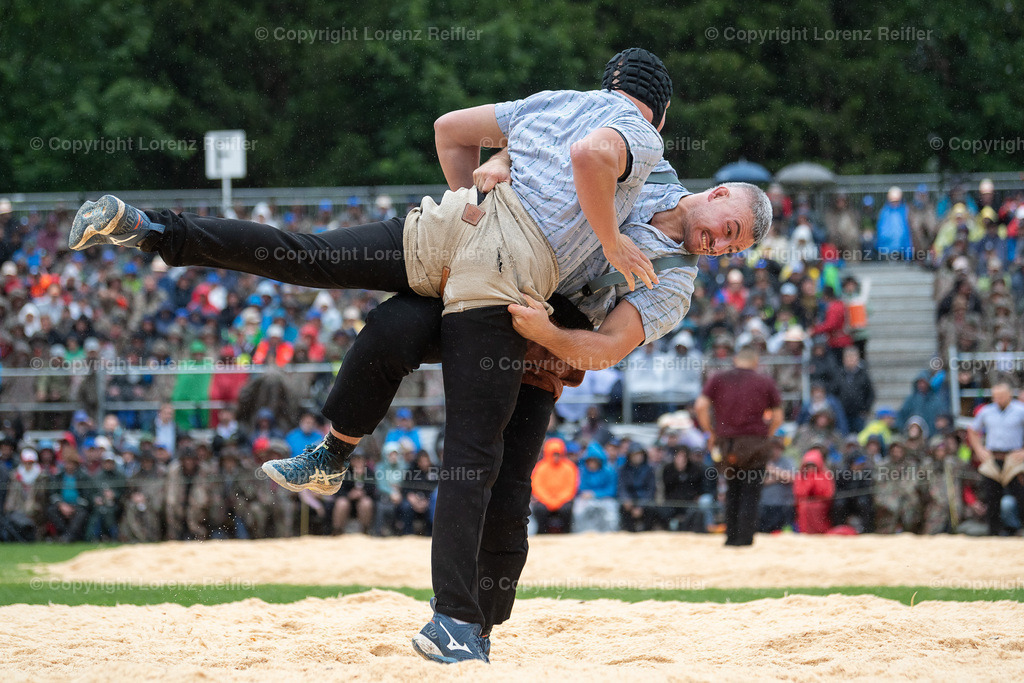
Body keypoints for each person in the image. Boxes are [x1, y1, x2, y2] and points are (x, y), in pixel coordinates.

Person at [694, 346, 784, 546]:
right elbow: (778, 417)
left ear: (735, 360)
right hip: (754, 443)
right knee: (750, 491)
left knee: (732, 488)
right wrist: (766, 435)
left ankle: (731, 537)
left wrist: (710, 432)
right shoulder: (764, 382)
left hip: (727, 444)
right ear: (756, 362)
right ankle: (744, 539)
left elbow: (700, 406)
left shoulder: (718, 379)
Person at [966, 382, 1024, 536]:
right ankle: (994, 532)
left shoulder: (1020, 410)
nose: (998, 399)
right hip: (992, 458)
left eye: (1001, 396)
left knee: (1021, 496)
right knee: (992, 498)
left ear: (1009, 395)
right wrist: (979, 449)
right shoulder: (986, 411)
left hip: (1014, 459)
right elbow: (972, 429)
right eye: (995, 396)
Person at [529, 438, 578, 533]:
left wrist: (558, 501)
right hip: (545, 501)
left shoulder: (569, 467)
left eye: (558, 453)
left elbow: (571, 488)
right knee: (539, 510)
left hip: (562, 501)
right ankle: (541, 533)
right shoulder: (540, 467)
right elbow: (537, 487)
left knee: (567, 509)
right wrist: (549, 501)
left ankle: (567, 533)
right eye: (554, 453)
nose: (556, 456)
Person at [792, 448, 834, 534]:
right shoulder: (801, 476)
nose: (810, 468)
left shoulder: (825, 474)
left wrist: (814, 481)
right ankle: (805, 531)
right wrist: (809, 482)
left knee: (814, 508)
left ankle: (820, 531)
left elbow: (828, 493)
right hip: (804, 503)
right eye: (808, 466)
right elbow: (799, 493)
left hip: (821, 503)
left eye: (813, 465)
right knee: (805, 507)